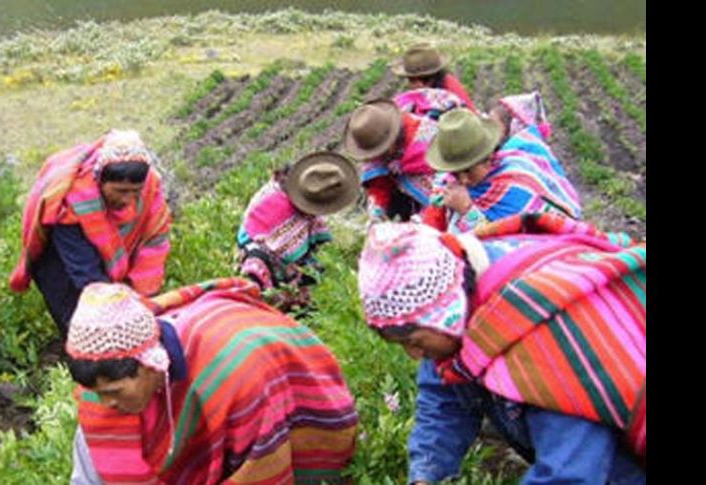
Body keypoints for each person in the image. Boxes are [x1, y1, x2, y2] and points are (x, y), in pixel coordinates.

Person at [356, 215, 646, 484]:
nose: (414, 355)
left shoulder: (543, 335)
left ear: (446, 313)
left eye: (415, 342)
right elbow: (444, 397)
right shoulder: (458, 298)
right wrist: (425, 476)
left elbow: (570, 472)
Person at [67, 279, 359, 484]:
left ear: (151, 365)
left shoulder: (235, 376)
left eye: (114, 392)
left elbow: (260, 469)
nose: (107, 404)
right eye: (97, 393)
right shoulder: (102, 389)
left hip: (282, 382)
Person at [9, 129, 172, 336]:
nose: (128, 200)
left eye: (135, 192)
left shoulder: (150, 188)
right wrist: (116, 312)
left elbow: (154, 245)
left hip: (111, 255)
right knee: (82, 328)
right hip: (61, 262)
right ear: (100, 181)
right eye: (121, 191)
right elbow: (86, 275)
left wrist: (141, 300)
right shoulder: (72, 201)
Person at [423, 108, 581, 234]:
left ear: (488, 157)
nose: (463, 180)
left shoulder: (515, 184)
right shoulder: (449, 183)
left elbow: (518, 246)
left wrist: (467, 210)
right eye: (455, 172)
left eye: (468, 171)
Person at [237, 151, 359, 310]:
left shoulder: (282, 186)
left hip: (267, 257)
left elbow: (317, 241)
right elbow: (284, 252)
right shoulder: (280, 208)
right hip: (262, 265)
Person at [344, 99, 443, 223]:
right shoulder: (373, 145)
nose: (379, 156)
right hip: (406, 203)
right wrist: (377, 211)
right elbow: (379, 186)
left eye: (381, 149)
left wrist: (423, 219)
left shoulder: (425, 139)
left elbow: (446, 186)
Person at [392, 43, 478, 114]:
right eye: (410, 80)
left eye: (411, 80)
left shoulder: (450, 96)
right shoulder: (443, 83)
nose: (411, 85)